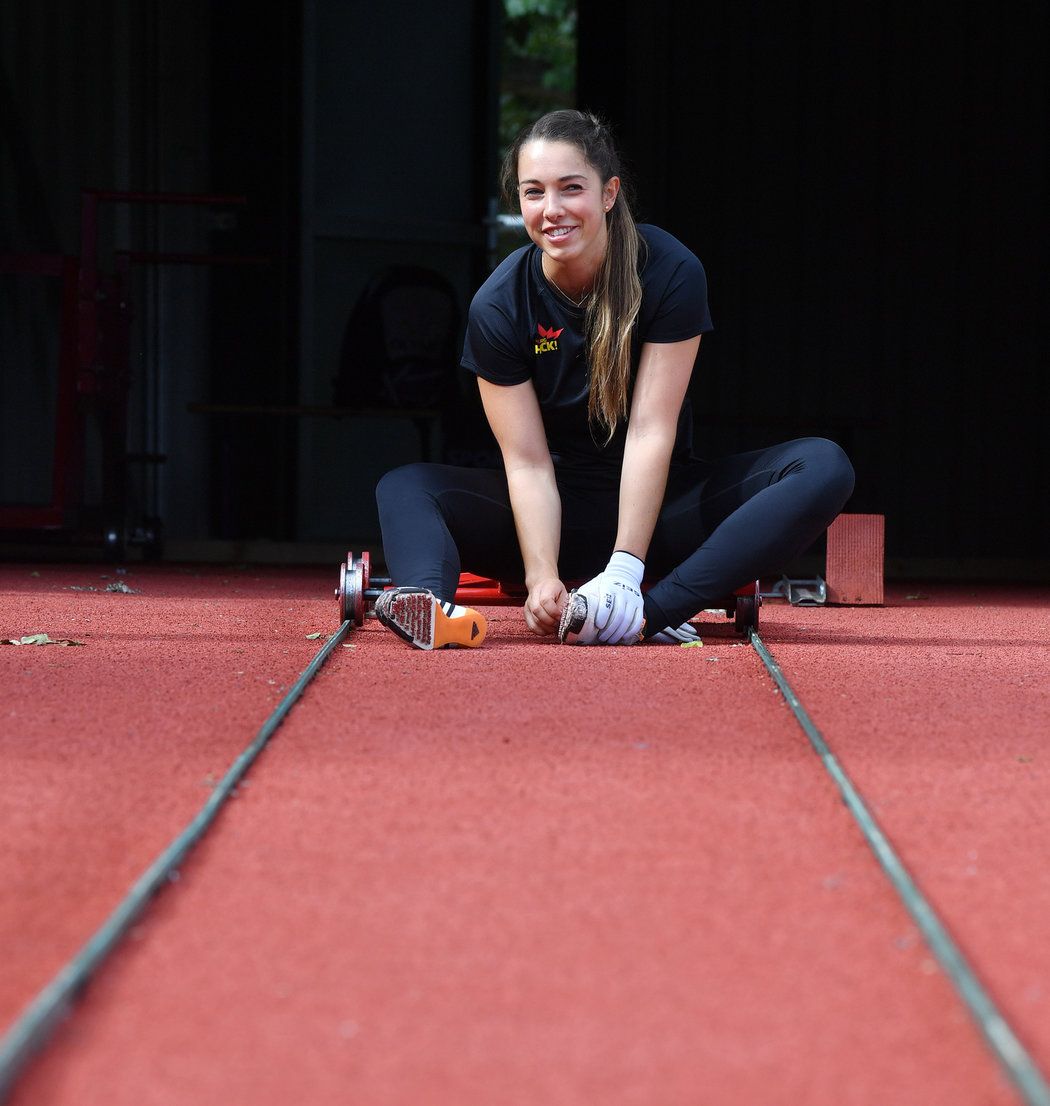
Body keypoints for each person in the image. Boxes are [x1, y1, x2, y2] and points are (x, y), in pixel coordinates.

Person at [373, 109, 854, 650]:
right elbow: (526, 462)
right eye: (534, 193)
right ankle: (428, 609)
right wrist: (540, 577)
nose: (551, 210)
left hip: (664, 520)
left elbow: (651, 429)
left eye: (571, 188)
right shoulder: (498, 305)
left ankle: (646, 614)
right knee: (406, 486)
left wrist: (626, 571)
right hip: (556, 515)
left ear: (609, 193)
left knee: (821, 465)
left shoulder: (669, 269)